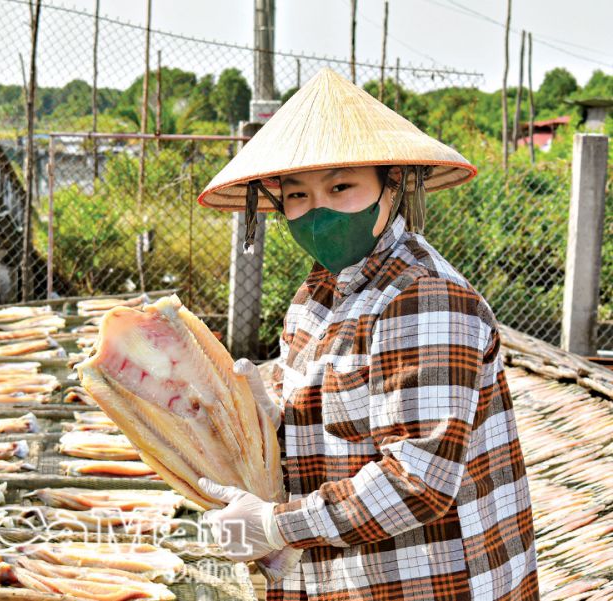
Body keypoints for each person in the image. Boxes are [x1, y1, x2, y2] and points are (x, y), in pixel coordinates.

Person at [193, 68, 538, 601]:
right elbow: (325, 420)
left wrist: (275, 527)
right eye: (297, 195)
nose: (318, 209)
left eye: (341, 186)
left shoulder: (422, 298)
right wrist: (267, 410)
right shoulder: (317, 295)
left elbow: (417, 482)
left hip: (425, 581)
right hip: (347, 579)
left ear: (391, 185)